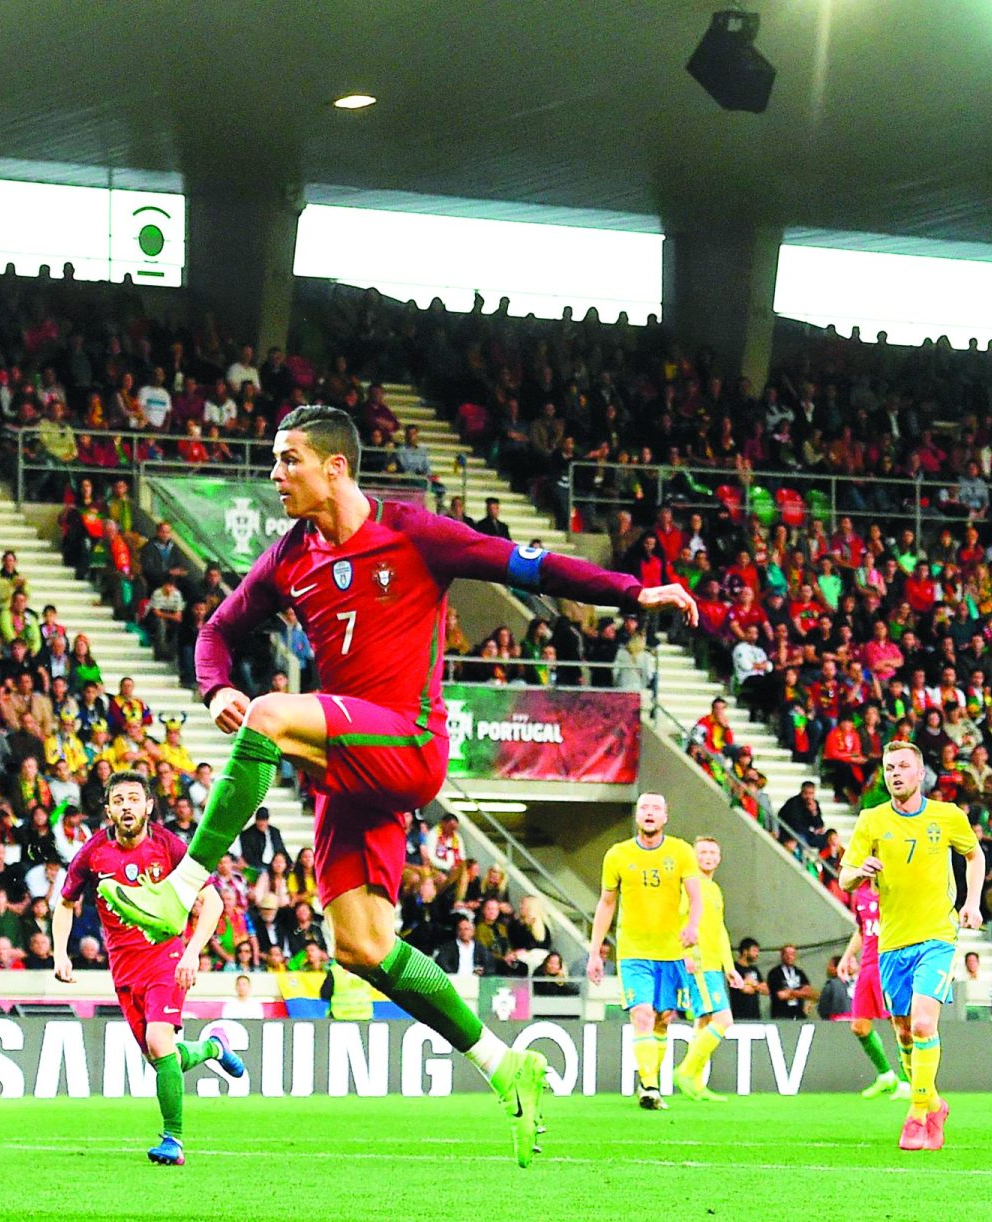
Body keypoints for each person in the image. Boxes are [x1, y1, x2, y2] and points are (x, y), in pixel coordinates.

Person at [99, 405, 694, 1165]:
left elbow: (528, 563)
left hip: (409, 743)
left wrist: (628, 592)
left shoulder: (416, 533)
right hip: (351, 774)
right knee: (362, 945)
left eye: (288, 461)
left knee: (275, 714)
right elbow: (215, 631)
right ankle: (505, 1066)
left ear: (333, 467)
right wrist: (215, 687)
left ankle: (180, 887)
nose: (275, 476)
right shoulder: (290, 555)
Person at [52, 771, 245, 1166]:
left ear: (148, 805)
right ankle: (213, 1047)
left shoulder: (169, 847)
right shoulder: (92, 854)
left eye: (133, 799)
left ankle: (173, 1140)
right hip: (123, 970)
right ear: (107, 810)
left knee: (160, 1043)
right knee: (163, 1056)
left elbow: (212, 902)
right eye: (118, 800)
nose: (127, 806)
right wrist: (60, 952)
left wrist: (191, 952)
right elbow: (65, 904)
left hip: (166, 959)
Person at [838, 740, 983, 1152]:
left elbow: (974, 857)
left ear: (920, 774)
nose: (895, 773)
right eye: (889, 767)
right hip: (891, 942)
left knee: (922, 1024)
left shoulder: (947, 815)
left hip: (937, 935)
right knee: (903, 1031)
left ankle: (916, 1116)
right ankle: (934, 1103)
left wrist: (971, 902)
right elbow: (846, 875)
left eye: (903, 766)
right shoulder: (871, 820)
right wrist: (858, 871)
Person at [586, 793, 703, 1111]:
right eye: (644, 808)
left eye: (656, 808)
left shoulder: (680, 851)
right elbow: (607, 903)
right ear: (637, 816)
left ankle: (647, 1078)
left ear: (665, 816)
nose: (649, 813)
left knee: (664, 1019)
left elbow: (696, 896)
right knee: (642, 1014)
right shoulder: (617, 855)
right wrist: (595, 951)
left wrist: (692, 926)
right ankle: (650, 1086)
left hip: (671, 952)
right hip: (633, 951)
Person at [672, 837, 741, 1101]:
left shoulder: (714, 889)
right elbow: (677, 921)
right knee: (723, 1020)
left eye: (713, 852)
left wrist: (729, 966)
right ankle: (686, 1071)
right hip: (698, 961)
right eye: (703, 852)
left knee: (703, 1023)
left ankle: (697, 1084)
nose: (708, 856)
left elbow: (720, 929)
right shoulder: (689, 887)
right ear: (693, 856)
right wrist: (684, 953)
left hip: (713, 963)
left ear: (719, 858)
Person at [835, 877, 912, 1102]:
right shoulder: (862, 893)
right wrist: (847, 956)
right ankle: (887, 1075)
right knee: (859, 1026)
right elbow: (862, 929)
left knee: (900, 1026)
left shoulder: (896, 891)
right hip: (868, 967)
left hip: (890, 963)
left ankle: (908, 1082)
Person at [766, 943, 815, 1020]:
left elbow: (809, 993)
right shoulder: (774, 973)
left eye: (792, 954)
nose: (790, 957)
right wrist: (800, 993)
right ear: (782, 956)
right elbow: (781, 995)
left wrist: (791, 992)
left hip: (799, 1015)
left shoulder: (799, 972)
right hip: (781, 1015)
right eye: (787, 954)